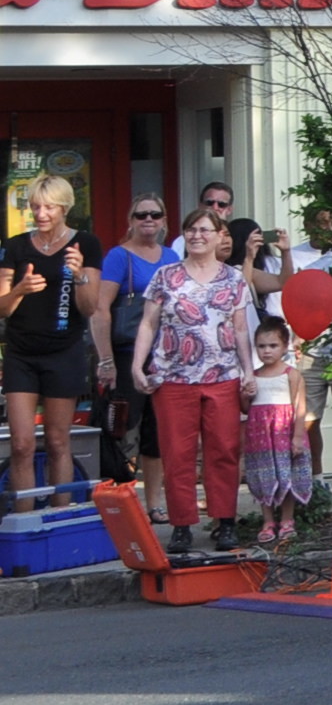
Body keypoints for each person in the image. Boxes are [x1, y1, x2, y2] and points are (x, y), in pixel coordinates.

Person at [128, 207, 255, 554]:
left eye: (205, 230)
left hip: (222, 376)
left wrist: (248, 373)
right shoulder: (166, 276)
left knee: (224, 451)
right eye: (191, 230)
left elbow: (241, 328)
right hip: (173, 378)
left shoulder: (233, 278)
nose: (198, 235)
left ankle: (224, 521)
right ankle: (181, 524)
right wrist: (138, 367)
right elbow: (148, 324)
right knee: (177, 453)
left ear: (219, 236)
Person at [2, 173, 105, 514]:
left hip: (64, 350)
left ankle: (62, 517)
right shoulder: (16, 246)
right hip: (21, 352)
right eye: (35, 207)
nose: (41, 213)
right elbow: (2, 306)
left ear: (64, 208)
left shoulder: (85, 244)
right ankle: (25, 521)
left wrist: (79, 275)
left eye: (48, 207)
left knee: (59, 440)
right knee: (21, 444)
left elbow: (90, 308)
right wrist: (20, 289)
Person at [93, 196, 171, 497]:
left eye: (155, 214)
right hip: (126, 354)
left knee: (156, 433)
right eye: (141, 215)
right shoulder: (118, 256)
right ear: (131, 220)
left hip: (164, 356)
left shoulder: (170, 257)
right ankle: (121, 501)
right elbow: (100, 310)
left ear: (164, 220)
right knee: (124, 429)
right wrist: (106, 361)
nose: (148, 219)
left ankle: (153, 503)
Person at [240, 315, 316, 543]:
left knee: (287, 475)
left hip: (285, 433)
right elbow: (245, 407)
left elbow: (299, 407)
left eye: (273, 346)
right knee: (265, 475)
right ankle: (267, 521)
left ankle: (287, 519)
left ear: (284, 347)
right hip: (261, 436)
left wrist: (298, 437)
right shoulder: (253, 376)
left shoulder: (291, 374)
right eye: (262, 346)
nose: (267, 351)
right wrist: (246, 394)